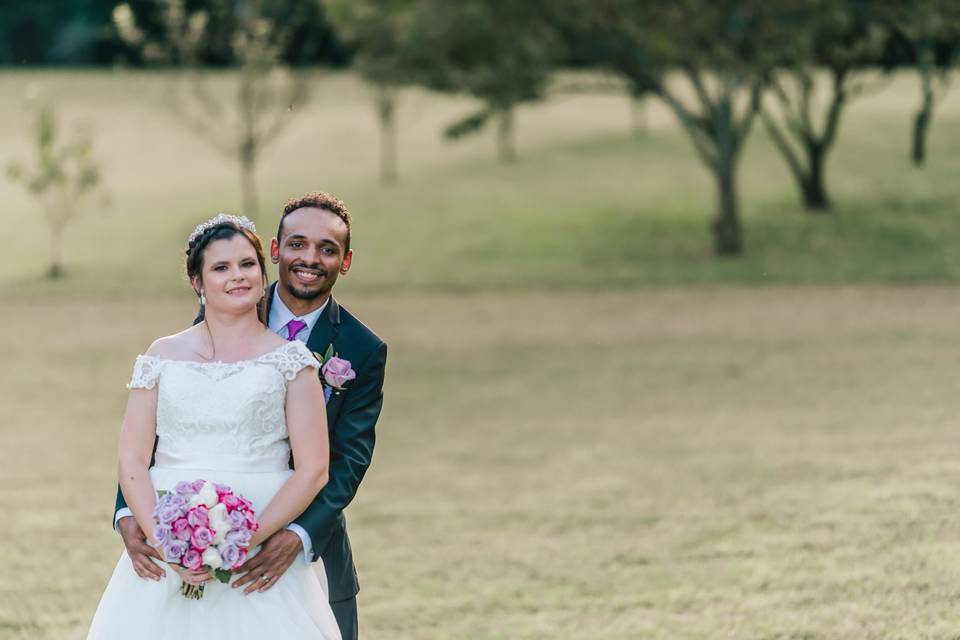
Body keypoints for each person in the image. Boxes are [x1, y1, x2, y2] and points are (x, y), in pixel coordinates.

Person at [112, 193, 387, 640]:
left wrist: (285, 534)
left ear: (345, 260)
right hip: (173, 536)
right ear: (276, 252)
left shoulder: (358, 349)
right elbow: (159, 439)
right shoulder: (190, 336)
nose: (310, 259)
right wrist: (143, 521)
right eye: (297, 244)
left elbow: (344, 460)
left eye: (328, 248)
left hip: (293, 542)